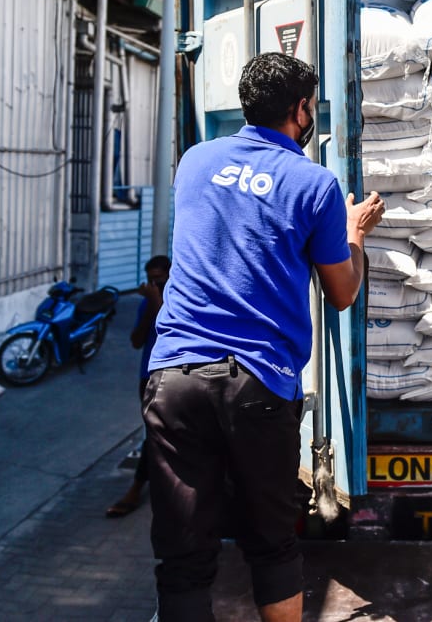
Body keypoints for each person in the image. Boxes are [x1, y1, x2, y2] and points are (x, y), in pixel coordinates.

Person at [144, 51, 384, 622]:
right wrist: (354, 235)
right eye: (311, 106)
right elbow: (342, 292)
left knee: (183, 551)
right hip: (257, 383)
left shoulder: (196, 160)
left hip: (174, 377)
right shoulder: (315, 185)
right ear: (301, 110)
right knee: (271, 543)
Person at [105, 254, 171, 518]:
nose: (154, 285)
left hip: (175, 375)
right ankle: (137, 487)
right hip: (150, 376)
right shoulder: (148, 303)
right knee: (153, 433)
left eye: (159, 279)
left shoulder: (178, 300)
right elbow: (136, 340)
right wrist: (151, 305)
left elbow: (171, 329)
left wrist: (157, 302)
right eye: (150, 280)